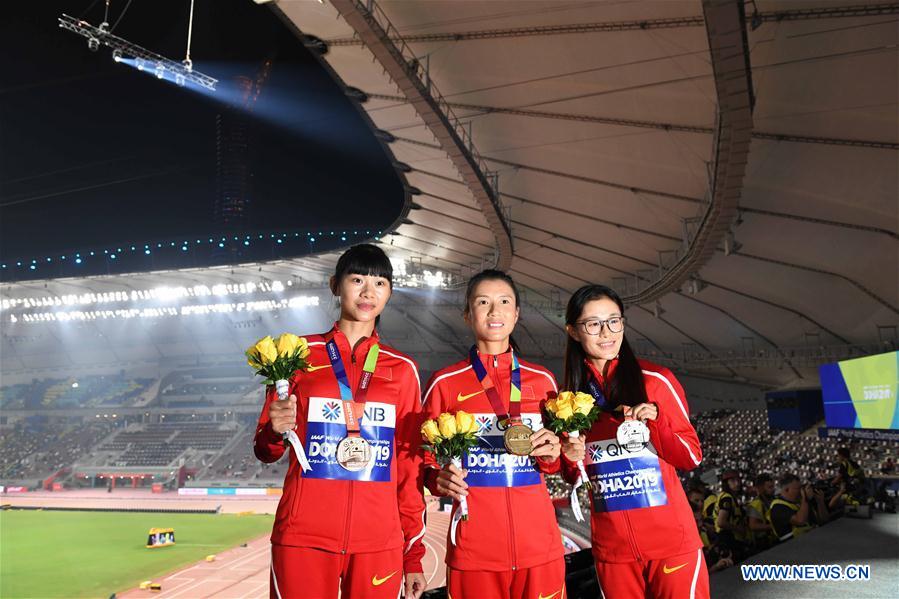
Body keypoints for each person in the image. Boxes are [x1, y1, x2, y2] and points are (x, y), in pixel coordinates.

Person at [254, 244, 427, 599]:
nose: (368, 292)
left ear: (390, 293)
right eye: (357, 279)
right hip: (304, 535)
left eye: (380, 283)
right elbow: (265, 450)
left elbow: (408, 468)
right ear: (335, 285)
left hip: (378, 540)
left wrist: (412, 554)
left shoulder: (402, 370)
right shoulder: (296, 355)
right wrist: (274, 430)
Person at [422, 269, 566, 599]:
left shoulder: (542, 382)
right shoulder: (445, 383)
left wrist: (553, 454)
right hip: (475, 552)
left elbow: (552, 465)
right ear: (467, 314)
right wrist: (435, 478)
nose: (494, 311)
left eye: (504, 302)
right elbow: (420, 459)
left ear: (516, 313)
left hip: (539, 548)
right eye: (483, 302)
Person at [559, 284, 709, 599]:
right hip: (614, 554)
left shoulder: (656, 381)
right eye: (593, 324)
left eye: (614, 321)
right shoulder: (569, 402)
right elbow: (574, 476)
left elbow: (691, 458)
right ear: (573, 331)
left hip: (671, 544)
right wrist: (570, 456)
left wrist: (657, 423)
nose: (606, 332)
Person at [769, 474, 819, 541]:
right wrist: (805, 498)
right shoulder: (777, 506)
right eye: (798, 488)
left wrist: (819, 501)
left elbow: (822, 520)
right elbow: (800, 521)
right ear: (787, 490)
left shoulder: (800, 503)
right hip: (792, 546)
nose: (800, 491)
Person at [714, 470, 749, 558]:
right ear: (726, 483)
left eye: (738, 480)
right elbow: (721, 522)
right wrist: (738, 529)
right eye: (733, 481)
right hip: (728, 538)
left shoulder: (730, 497)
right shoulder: (727, 498)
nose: (737, 483)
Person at [746, 473, 776, 550]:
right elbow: (753, 525)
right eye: (770, 487)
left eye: (773, 486)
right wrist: (774, 526)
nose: (773, 489)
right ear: (761, 488)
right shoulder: (756, 503)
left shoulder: (773, 499)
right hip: (764, 543)